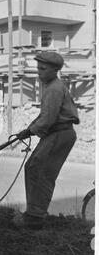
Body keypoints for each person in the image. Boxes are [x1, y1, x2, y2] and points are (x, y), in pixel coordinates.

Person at [13, 51, 80, 229]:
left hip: (60, 133)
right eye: (38, 68)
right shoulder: (52, 87)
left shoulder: (54, 89)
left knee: (41, 172)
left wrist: (29, 132)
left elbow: (48, 120)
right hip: (57, 133)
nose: (39, 72)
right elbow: (45, 116)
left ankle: (35, 217)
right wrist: (28, 129)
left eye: (42, 69)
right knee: (33, 167)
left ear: (54, 70)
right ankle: (35, 212)